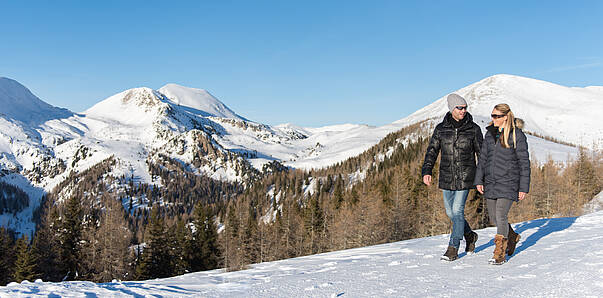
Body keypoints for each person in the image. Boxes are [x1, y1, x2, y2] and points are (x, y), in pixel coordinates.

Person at [422, 93, 483, 261]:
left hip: (466, 176)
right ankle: (470, 235)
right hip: (447, 176)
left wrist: (482, 177)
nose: (463, 111)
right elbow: (432, 151)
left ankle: (453, 247)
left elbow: (482, 154)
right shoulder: (441, 129)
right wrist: (426, 171)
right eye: (460, 108)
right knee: (451, 213)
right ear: (452, 109)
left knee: (457, 210)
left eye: (465, 108)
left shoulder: (473, 129)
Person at [474, 103, 530, 265]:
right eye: (492, 116)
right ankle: (511, 236)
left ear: (506, 117)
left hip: (509, 182)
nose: (493, 119)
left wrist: (523, 187)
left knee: (501, 215)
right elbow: (483, 159)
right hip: (491, 182)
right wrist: (479, 180)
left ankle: (500, 252)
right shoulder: (489, 134)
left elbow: (524, 163)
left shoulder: (517, 135)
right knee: (494, 217)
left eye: (497, 116)